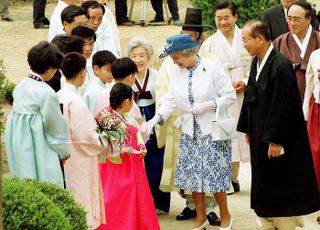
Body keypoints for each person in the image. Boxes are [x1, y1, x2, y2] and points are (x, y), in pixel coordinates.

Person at [238, 20, 320, 229]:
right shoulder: (257, 61)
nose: (243, 45)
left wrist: (275, 140)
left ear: (260, 39)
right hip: (259, 131)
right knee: (264, 178)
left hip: (277, 137)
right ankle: (267, 218)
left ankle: (284, 222)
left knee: (279, 180)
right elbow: (252, 95)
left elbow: (284, 106)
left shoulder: (281, 65)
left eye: (245, 40)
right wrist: (248, 127)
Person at [148, 34, 236, 230]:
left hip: (212, 130)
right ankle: (200, 217)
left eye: (176, 58)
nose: (174, 62)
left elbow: (229, 96)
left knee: (215, 176)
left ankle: (226, 216)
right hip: (189, 131)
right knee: (193, 177)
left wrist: (208, 105)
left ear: (188, 53)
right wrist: (156, 119)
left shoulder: (212, 68)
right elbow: (170, 101)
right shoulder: (176, 71)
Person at [155, 8, 221, 226]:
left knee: (211, 168)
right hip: (180, 121)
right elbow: (164, 91)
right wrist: (167, 115)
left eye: (193, 36)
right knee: (187, 170)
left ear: (200, 38)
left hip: (208, 123)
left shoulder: (211, 61)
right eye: (185, 34)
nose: (189, 39)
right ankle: (193, 206)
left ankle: (212, 209)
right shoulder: (171, 63)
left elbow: (222, 93)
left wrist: (207, 105)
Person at [200, 0, 251, 194]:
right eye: (219, 18)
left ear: (235, 17)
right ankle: (227, 179)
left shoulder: (246, 37)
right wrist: (224, 87)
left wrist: (245, 81)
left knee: (243, 135)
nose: (223, 22)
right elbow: (205, 71)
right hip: (223, 96)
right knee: (224, 136)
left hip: (245, 93)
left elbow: (254, 64)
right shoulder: (210, 43)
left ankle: (235, 177)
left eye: (227, 18)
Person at [4, 41, 69, 187]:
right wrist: (64, 151)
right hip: (38, 144)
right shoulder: (46, 93)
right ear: (49, 69)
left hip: (19, 142)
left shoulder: (20, 86)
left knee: (23, 176)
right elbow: (54, 126)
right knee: (45, 180)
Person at [96, 82, 160, 230]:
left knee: (129, 197)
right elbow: (109, 145)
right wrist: (129, 149)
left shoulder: (122, 116)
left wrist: (142, 146)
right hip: (118, 167)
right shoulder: (108, 119)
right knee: (117, 198)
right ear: (126, 102)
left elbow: (136, 132)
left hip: (130, 165)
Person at [58, 52, 106, 229]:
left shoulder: (58, 96)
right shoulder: (76, 102)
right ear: (83, 74)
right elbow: (87, 136)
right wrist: (104, 141)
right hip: (80, 157)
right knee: (82, 198)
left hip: (63, 155)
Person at [125, 37, 170, 214]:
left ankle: (160, 202)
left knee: (157, 162)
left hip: (154, 116)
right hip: (134, 118)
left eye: (142, 55)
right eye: (134, 55)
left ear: (149, 56)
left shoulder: (157, 75)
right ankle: (141, 203)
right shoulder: (127, 77)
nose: (138, 60)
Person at [273, 1, 320, 103]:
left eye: (296, 19)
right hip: (286, 100)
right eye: (289, 19)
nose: (292, 23)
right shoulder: (279, 42)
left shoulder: (318, 39)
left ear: (308, 19)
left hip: (315, 100)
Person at [303, 49, 320, 222]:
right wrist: (306, 110)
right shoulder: (315, 56)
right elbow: (310, 84)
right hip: (317, 108)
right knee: (316, 157)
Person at [71, 25, 97, 95]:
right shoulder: (71, 68)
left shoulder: (89, 66)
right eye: (84, 44)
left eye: (91, 44)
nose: (88, 49)